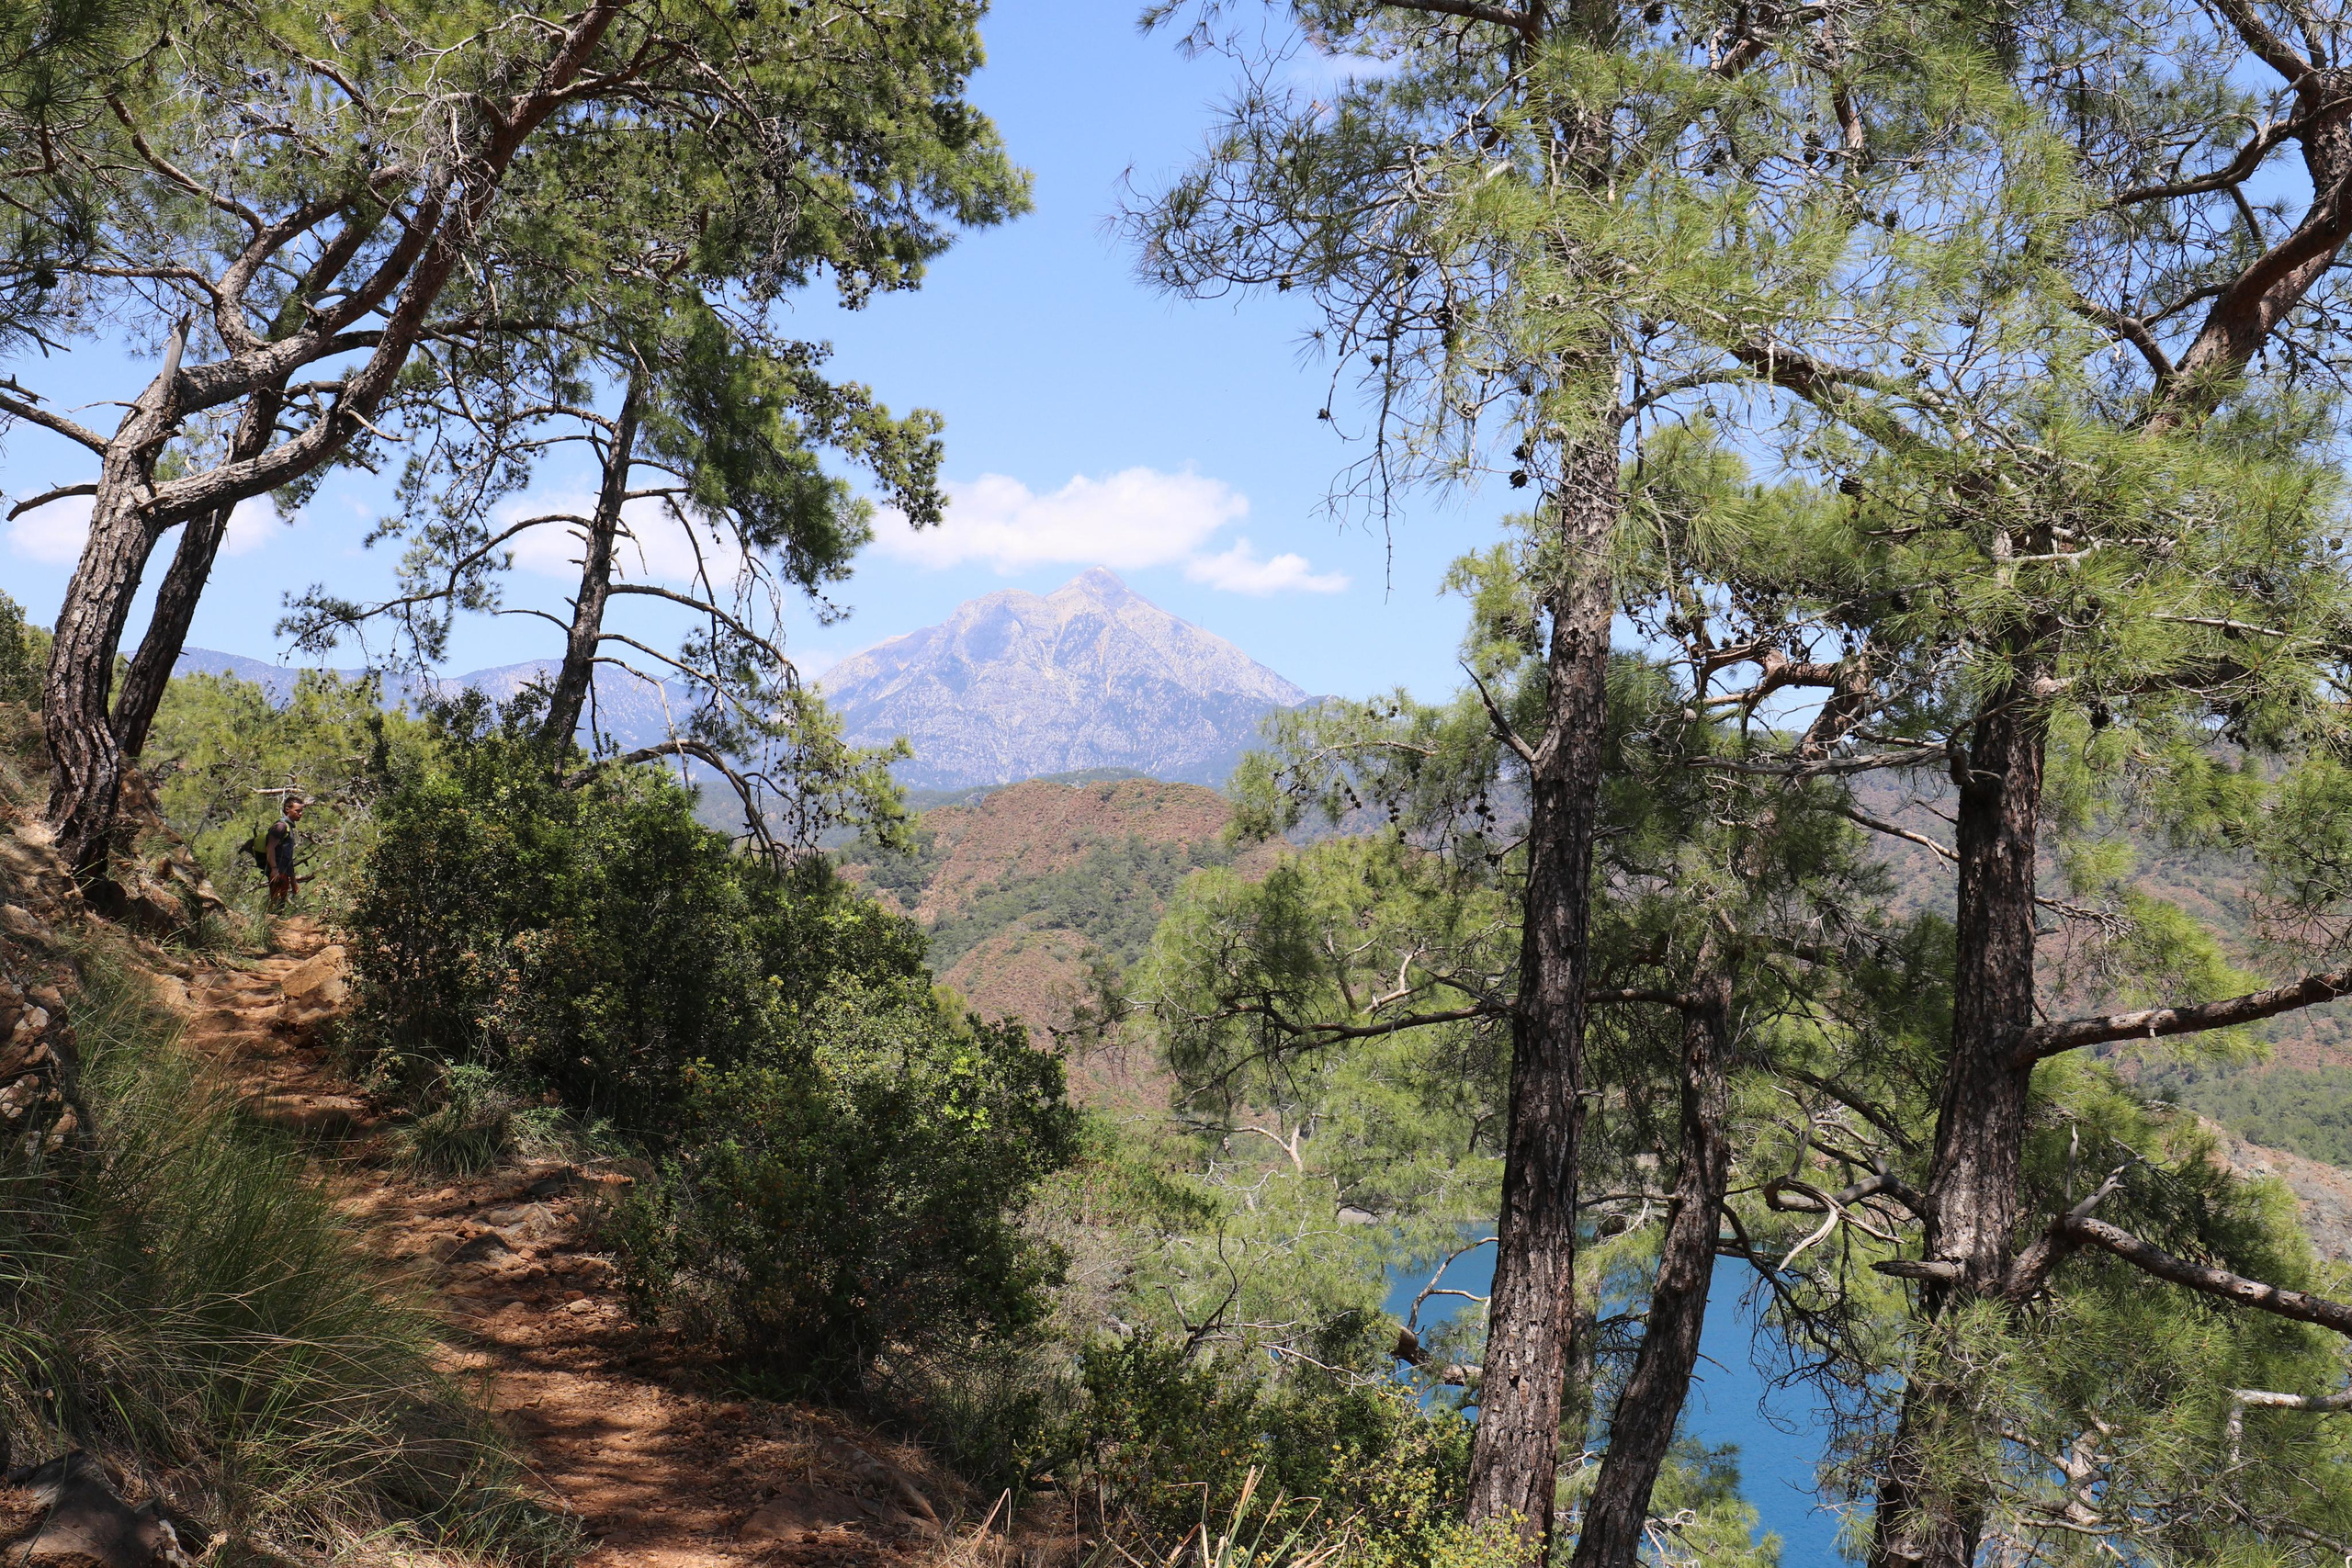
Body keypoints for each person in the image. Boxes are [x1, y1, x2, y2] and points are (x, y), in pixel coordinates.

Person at [265, 795, 306, 911]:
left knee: (280, 904)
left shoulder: (288, 828)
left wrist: (293, 881)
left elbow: (288, 858)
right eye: (297, 811)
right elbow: (270, 847)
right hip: (278, 872)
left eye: (301, 811)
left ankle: (272, 920)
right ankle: (269, 921)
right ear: (287, 809)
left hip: (284, 873)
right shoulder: (280, 826)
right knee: (276, 904)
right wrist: (274, 869)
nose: (300, 814)